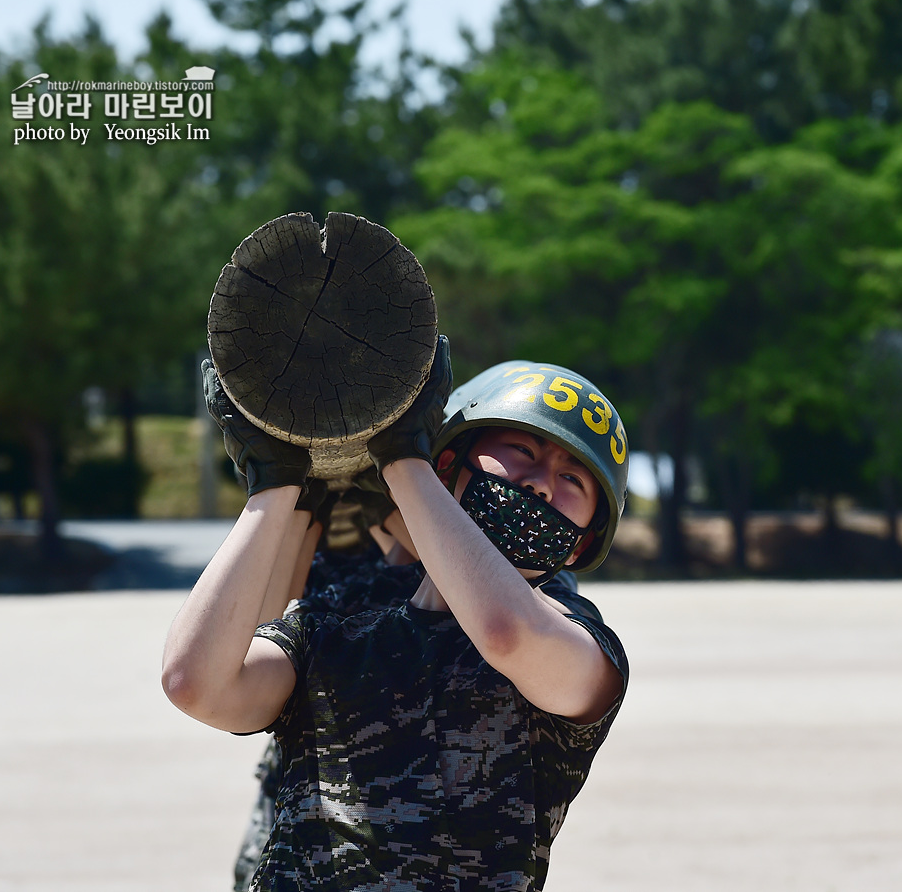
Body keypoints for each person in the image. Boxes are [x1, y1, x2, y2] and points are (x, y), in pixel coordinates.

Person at [164, 341, 631, 891]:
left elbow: (507, 633)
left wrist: (401, 461)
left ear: (581, 546)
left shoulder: (585, 647)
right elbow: (195, 682)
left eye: (574, 480)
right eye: (520, 450)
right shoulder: (334, 631)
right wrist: (274, 486)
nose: (538, 482)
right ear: (452, 465)